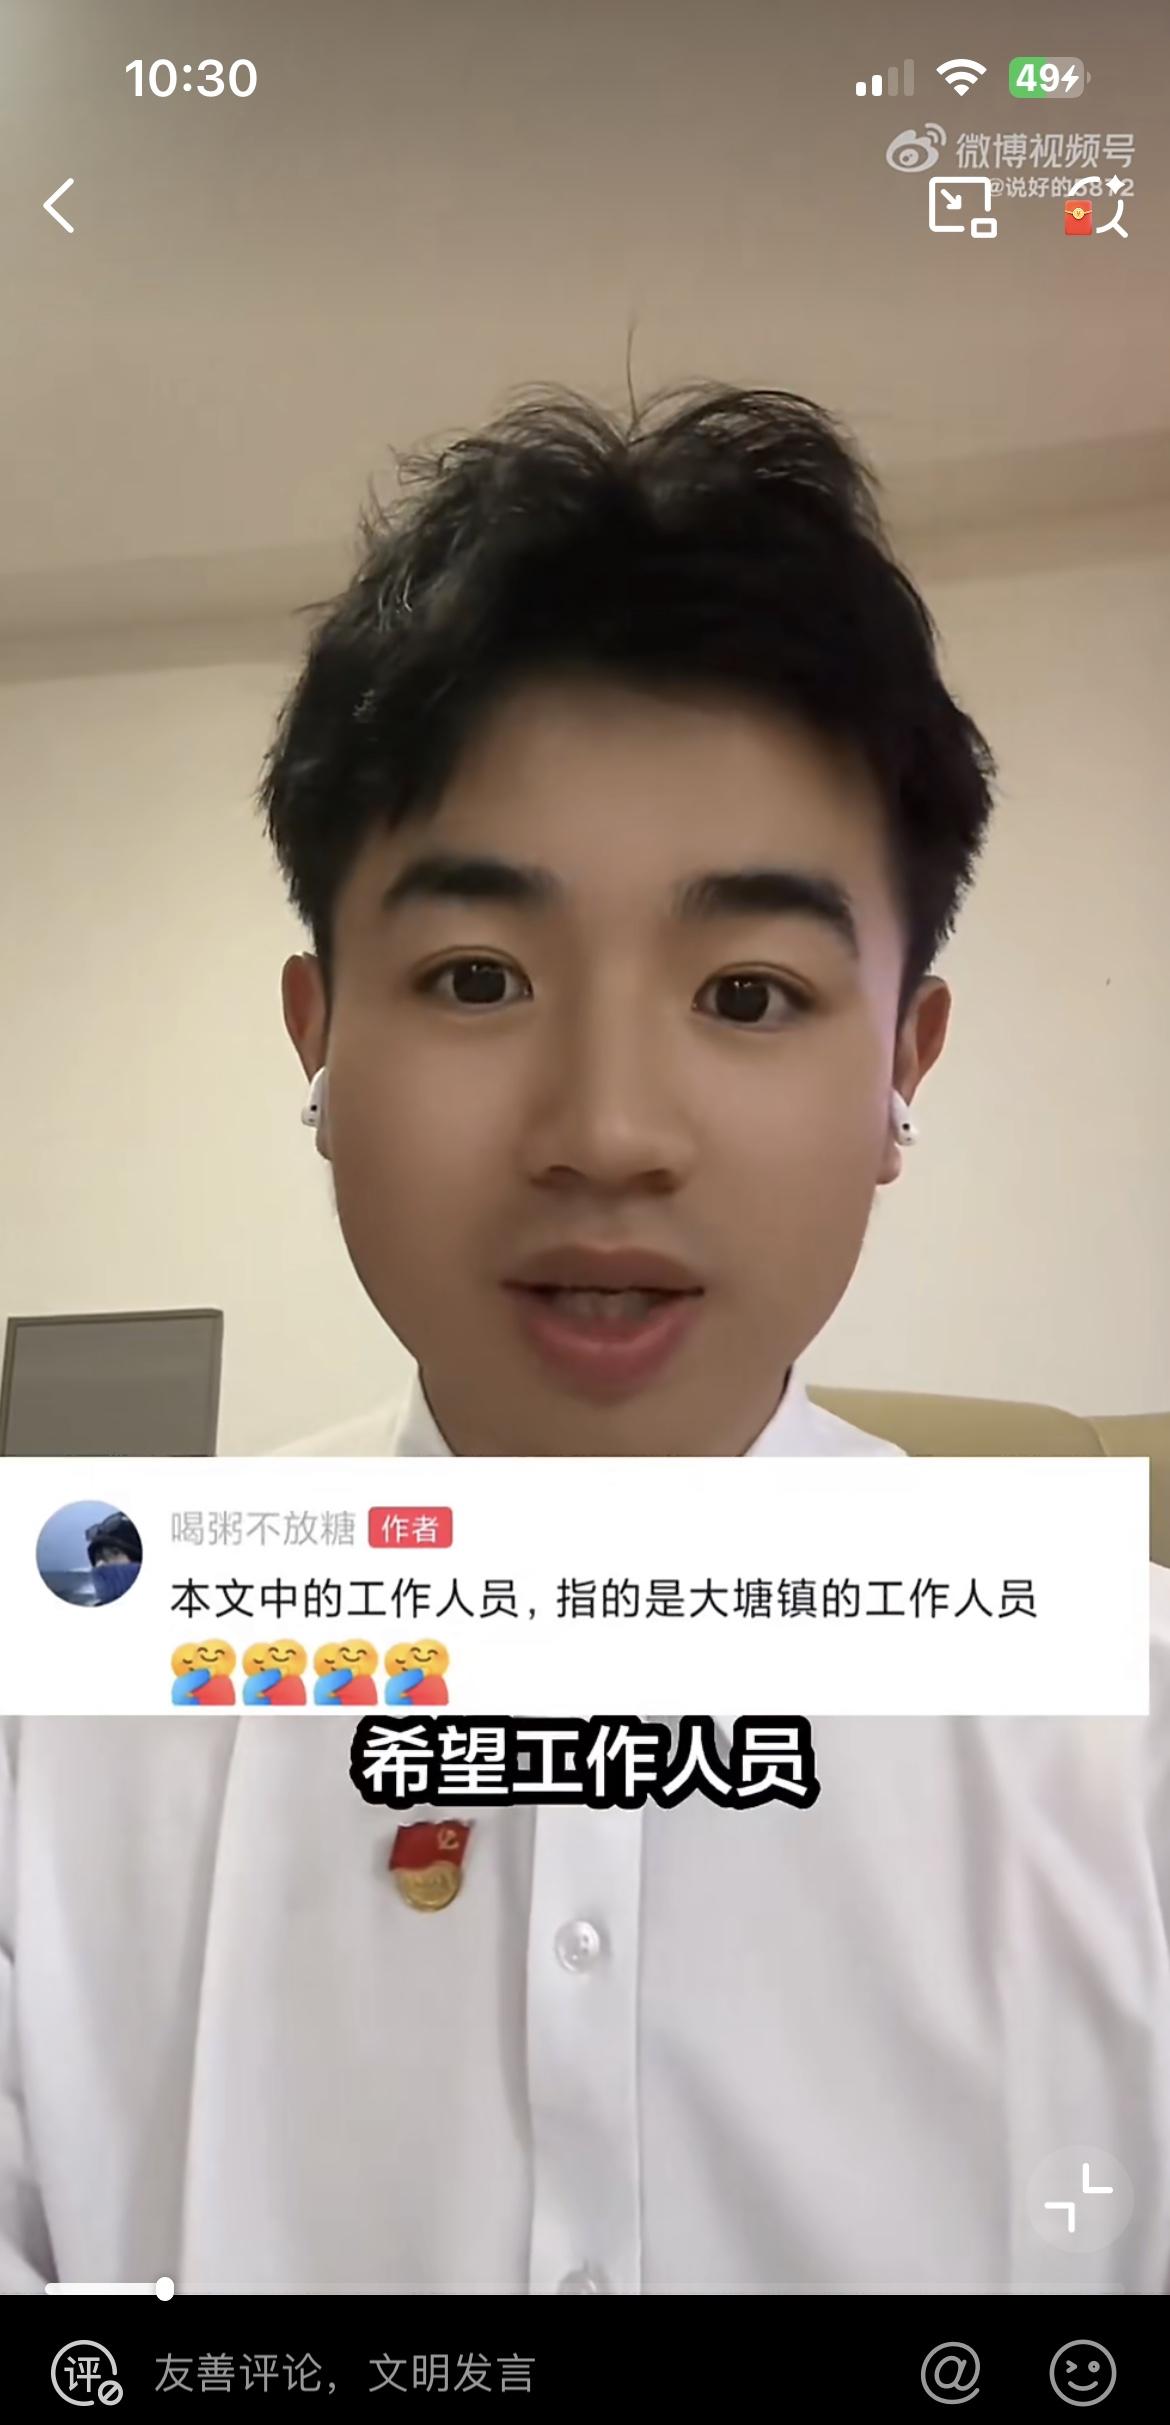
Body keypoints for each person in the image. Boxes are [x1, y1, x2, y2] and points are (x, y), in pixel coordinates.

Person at [2, 385, 1167, 2294]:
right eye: (477, 977)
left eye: (747, 993)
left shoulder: (1127, 1738)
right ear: (319, 1041)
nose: (607, 1131)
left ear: (903, 1068)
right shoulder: (68, 1706)